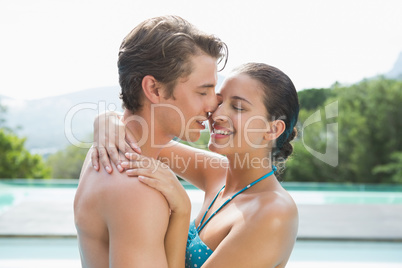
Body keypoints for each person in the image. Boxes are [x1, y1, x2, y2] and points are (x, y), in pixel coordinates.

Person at [94, 63, 300, 267]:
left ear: (273, 130)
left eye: (237, 107)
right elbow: (142, 139)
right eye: (219, 102)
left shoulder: (273, 214)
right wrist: (107, 121)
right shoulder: (218, 172)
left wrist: (181, 211)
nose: (216, 114)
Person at [74, 15, 228, 268]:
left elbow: (229, 172)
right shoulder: (138, 190)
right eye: (202, 92)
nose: (214, 105)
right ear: (154, 90)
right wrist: (182, 210)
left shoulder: (103, 153)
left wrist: (105, 118)